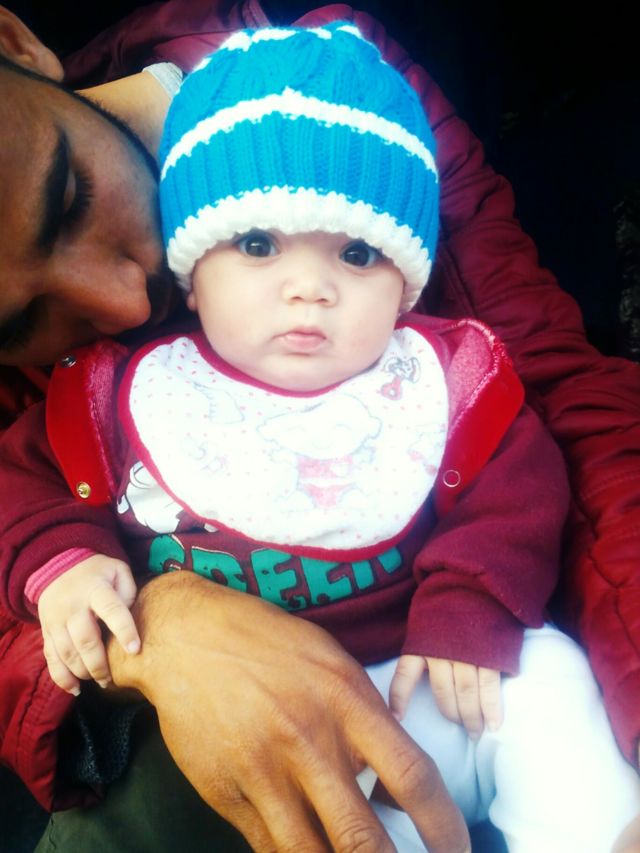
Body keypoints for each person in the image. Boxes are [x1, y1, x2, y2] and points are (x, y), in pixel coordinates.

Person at [0, 2, 638, 852]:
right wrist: (66, 568)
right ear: (196, 275)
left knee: (550, 683)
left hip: (442, 669)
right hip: (274, 732)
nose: (309, 286)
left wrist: (472, 597)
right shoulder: (116, 393)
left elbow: (526, 470)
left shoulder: (437, 372)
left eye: (358, 254)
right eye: (257, 246)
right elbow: (22, 483)